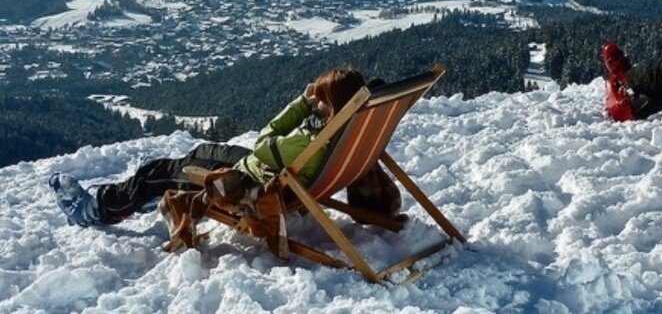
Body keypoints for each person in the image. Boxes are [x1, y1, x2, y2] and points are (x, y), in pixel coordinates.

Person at [49, 67, 400, 230]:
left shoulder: (312, 138)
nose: (318, 106)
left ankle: (94, 210)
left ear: (332, 106)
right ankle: (136, 196)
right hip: (272, 169)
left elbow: (266, 139)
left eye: (322, 102)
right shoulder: (348, 131)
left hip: (255, 181)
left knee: (158, 172)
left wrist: (301, 105)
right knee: (196, 152)